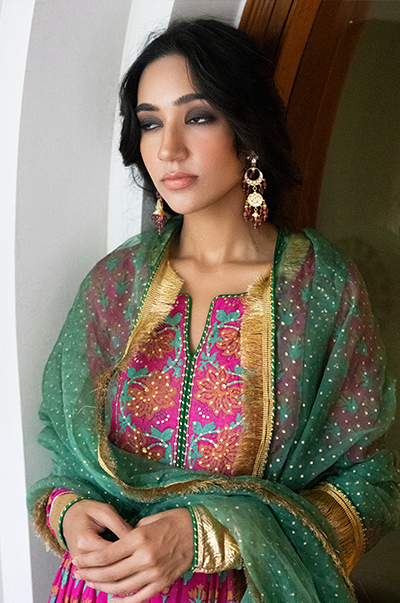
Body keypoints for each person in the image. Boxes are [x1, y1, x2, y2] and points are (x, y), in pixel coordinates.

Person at [27, 18, 399, 603]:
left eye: (198, 117)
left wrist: (208, 534)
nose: (168, 148)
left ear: (247, 129)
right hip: (101, 589)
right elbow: (69, 458)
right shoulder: (115, 285)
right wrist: (68, 512)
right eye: (151, 123)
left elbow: (367, 490)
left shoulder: (320, 289)